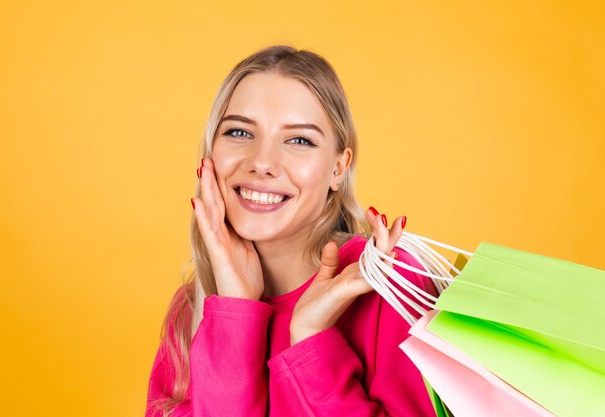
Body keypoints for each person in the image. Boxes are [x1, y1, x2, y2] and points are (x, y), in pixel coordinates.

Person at [145, 44, 437, 417]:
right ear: (209, 154)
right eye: (239, 132)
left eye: (299, 140)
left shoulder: (390, 285)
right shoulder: (192, 309)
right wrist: (235, 313)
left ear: (338, 168)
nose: (262, 162)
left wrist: (312, 341)